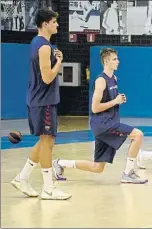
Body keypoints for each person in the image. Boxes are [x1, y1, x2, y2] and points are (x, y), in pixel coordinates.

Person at [52, 48, 148, 184]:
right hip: (104, 124)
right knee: (138, 135)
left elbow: (109, 101)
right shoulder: (101, 81)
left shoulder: (113, 79)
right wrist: (115, 101)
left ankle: (60, 163)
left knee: (97, 167)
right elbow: (95, 108)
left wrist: (118, 100)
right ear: (106, 61)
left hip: (108, 123)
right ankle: (128, 173)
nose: (118, 61)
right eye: (115, 59)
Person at [11, 8, 72, 200]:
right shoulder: (44, 46)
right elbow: (47, 78)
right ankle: (48, 188)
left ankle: (23, 177)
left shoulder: (39, 43)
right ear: (45, 24)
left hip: (43, 99)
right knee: (47, 142)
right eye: (54, 21)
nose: (57, 24)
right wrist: (59, 63)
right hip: (43, 100)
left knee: (47, 140)